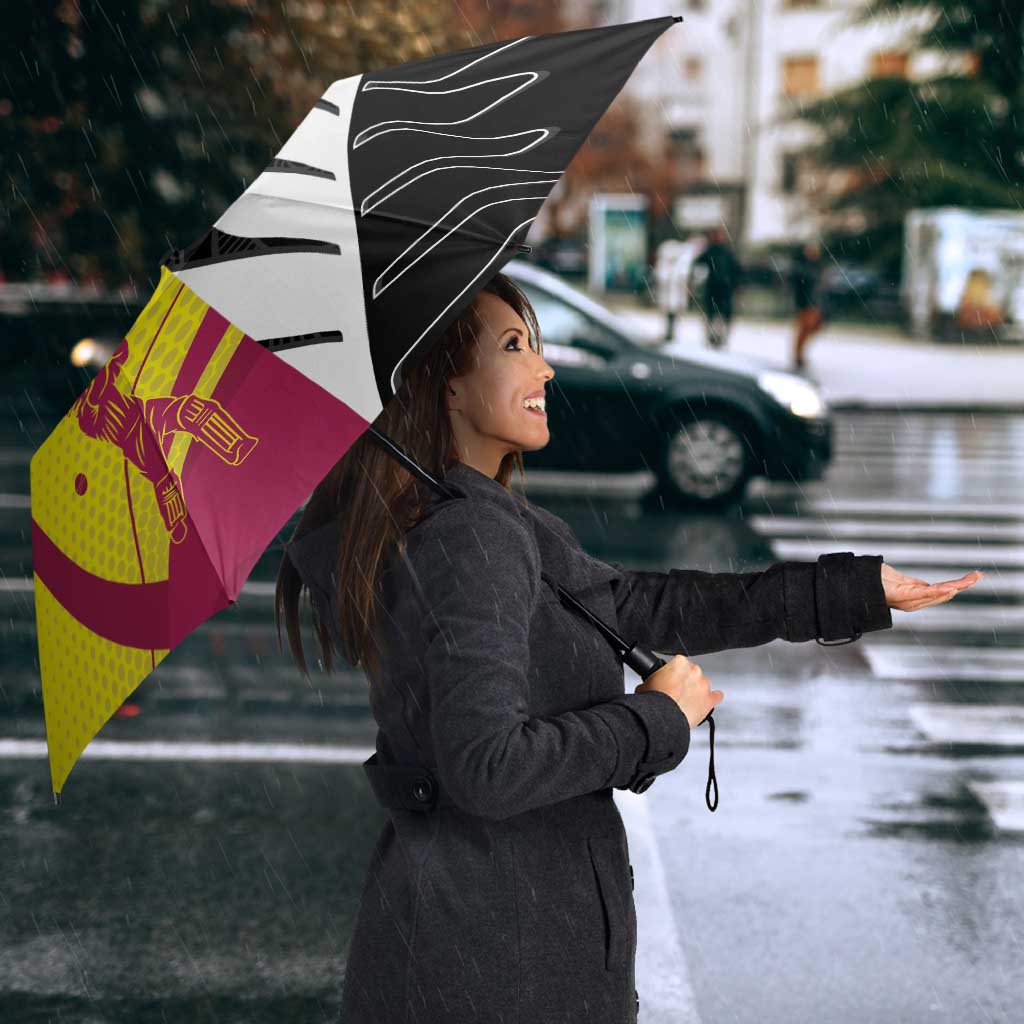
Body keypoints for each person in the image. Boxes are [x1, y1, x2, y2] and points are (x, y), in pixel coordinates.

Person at [275, 272, 981, 1024]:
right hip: (496, 964)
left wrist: (850, 590)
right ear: (445, 386)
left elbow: (643, 605)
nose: (544, 368)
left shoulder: (481, 519)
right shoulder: (469, 537)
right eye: (514, 347)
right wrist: (654, 719)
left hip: (484, 944)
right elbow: (487, 768)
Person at [692, 226, 742, 349]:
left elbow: (736, 270)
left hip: (723, 288)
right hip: (715, 288)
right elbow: (698, 264)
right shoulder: (712, 251)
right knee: (713, 314)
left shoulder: (725, 252)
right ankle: (713, 337)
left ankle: (719, 337)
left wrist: (735, 284)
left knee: (720, 315)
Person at [790, 239, 826, 370]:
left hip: (814, 303)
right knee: (804, 329)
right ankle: (798, 355)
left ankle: (799, 354)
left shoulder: (817, 266)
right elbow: (799, 286)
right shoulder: (802, 267)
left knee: (812, 328)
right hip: (805, 303)